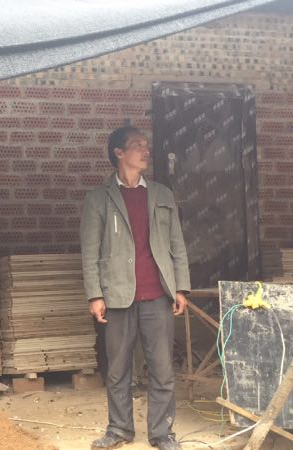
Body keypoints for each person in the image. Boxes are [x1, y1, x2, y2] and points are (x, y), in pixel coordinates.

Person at [80, 126, 191, 450]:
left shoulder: (162, 194)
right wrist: (95, 294)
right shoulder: (98, 199)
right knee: (117, 370)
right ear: (119, 153)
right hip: (117, 296)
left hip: (158, 295)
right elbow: (89, 251)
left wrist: (181, 287)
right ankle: (119, 429)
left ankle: (162, 433)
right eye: (137, 145)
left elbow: (177, 244)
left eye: (146, 145)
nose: (145, 150)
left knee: (162, 370)